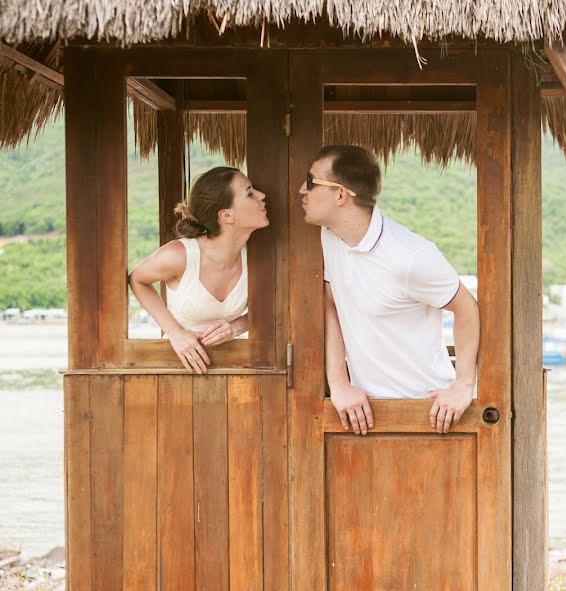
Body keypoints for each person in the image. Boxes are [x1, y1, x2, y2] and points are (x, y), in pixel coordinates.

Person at [299, 145, 480, 435]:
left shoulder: (411, 255)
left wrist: (463, 386)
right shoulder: (329, 237)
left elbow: (466, 307)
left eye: (310, 182)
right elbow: (330, 303)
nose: (301, 190)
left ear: (340, 195)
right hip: (363, 413)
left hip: (428, 412)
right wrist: (340, 383)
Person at [128, 166, 268, 373]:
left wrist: (235, 328)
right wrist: (175, 333)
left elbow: (270, 310)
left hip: (233, 369)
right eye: (250, 193)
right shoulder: (180, 255)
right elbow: (137, 279)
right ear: (227, 215)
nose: (262, 196)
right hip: (175, 368)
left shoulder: (257, 258)